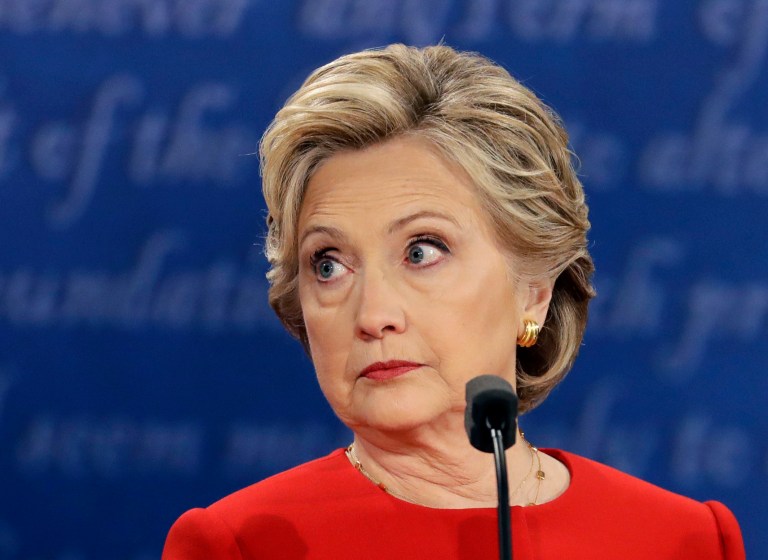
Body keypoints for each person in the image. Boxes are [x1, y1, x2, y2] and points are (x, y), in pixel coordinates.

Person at [162, 44, 745, 559]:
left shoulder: (681, 540)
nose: (372, 316)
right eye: (329, 265)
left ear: (534, 292)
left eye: (422, 251)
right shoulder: (242, 546)